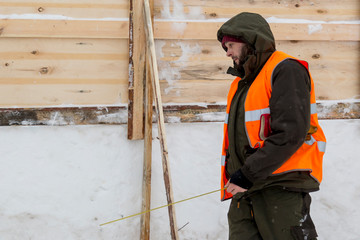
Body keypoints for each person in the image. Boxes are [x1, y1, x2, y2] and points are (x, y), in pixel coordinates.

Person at [217, 12, 326, 240]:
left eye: (230, 45)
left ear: (249, 40)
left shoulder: (285, 69)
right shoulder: (241, 83)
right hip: (246, 189)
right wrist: (239, 177)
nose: (227, 52)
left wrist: (247, 174)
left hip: (280, 186)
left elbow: (290, 133)